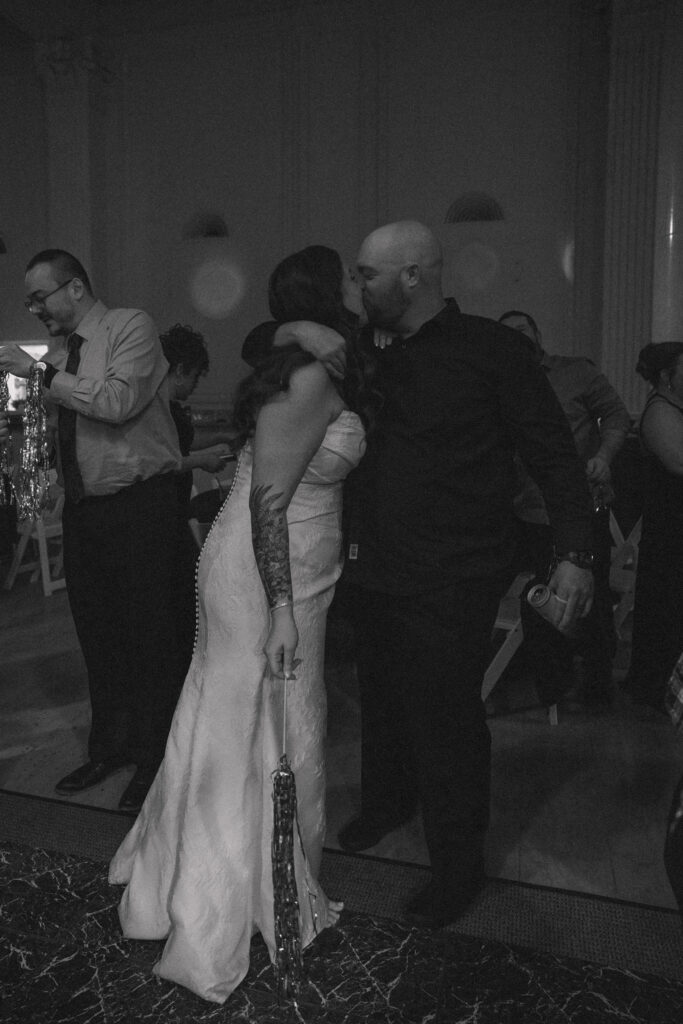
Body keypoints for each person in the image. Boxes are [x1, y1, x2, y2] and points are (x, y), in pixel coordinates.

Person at [242, 221, 595, 929]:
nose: (358, 285)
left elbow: (553, 455)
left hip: (454, 568)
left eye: (368, 274)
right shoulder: (359, 347)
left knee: (445, 719)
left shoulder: (492, 350)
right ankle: (385, 804)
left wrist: (575, 553)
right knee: (380, 701)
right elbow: (258, 345)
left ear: (411, 276)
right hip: (370, 567)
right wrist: (300, 334)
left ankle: (458, 867)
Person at [109, 245, 374, 1003]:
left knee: (251, 720)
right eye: (350, 278)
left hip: (287, 569)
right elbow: (266, 502)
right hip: (266, 575)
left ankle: (235, 875)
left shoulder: (317, 358)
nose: (360, 284)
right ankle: (225, 900)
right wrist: (284, 608)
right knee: (254, 724)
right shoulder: (308, 372)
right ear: (329, 295)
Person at [0, 249, 181, 813]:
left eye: (40, 296)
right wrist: (46, 465)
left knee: (152, 639)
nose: (34, 309)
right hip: (87, 513)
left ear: (75, 288)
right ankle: (112, 747)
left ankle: (158, 760)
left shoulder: (132, 326)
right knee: (99, 636)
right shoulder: (57, 355)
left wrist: (43, 376)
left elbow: (117, 401)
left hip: (141, 508)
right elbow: (60, 430)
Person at [498, 309, 631, 706]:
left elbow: (617, 414)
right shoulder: (503, 380)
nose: (518, 339)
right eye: (509, 335)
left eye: (523, 330)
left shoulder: (576, 372)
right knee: (540, 598)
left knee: (592, 599)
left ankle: (596, 684)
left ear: (537, 333)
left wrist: (604, 456)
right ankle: (550, 685)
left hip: (582, 504)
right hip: (529, 510)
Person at [159, 323, 233, 677]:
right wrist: (204, 459)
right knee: (183, 587)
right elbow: (161, 462)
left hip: (174, 506)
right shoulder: (159, 405)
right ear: (181, 370)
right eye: (195, 378)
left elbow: (178, 449)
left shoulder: (168, 403)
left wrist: (215, 442)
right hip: (164, 508)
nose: (194, 387)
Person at [626, 342, 683, 713]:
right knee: (666, 613)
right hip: (671, 534)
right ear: (666, 377)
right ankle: (656, 695)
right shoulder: (660, 412)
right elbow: (680, 465)